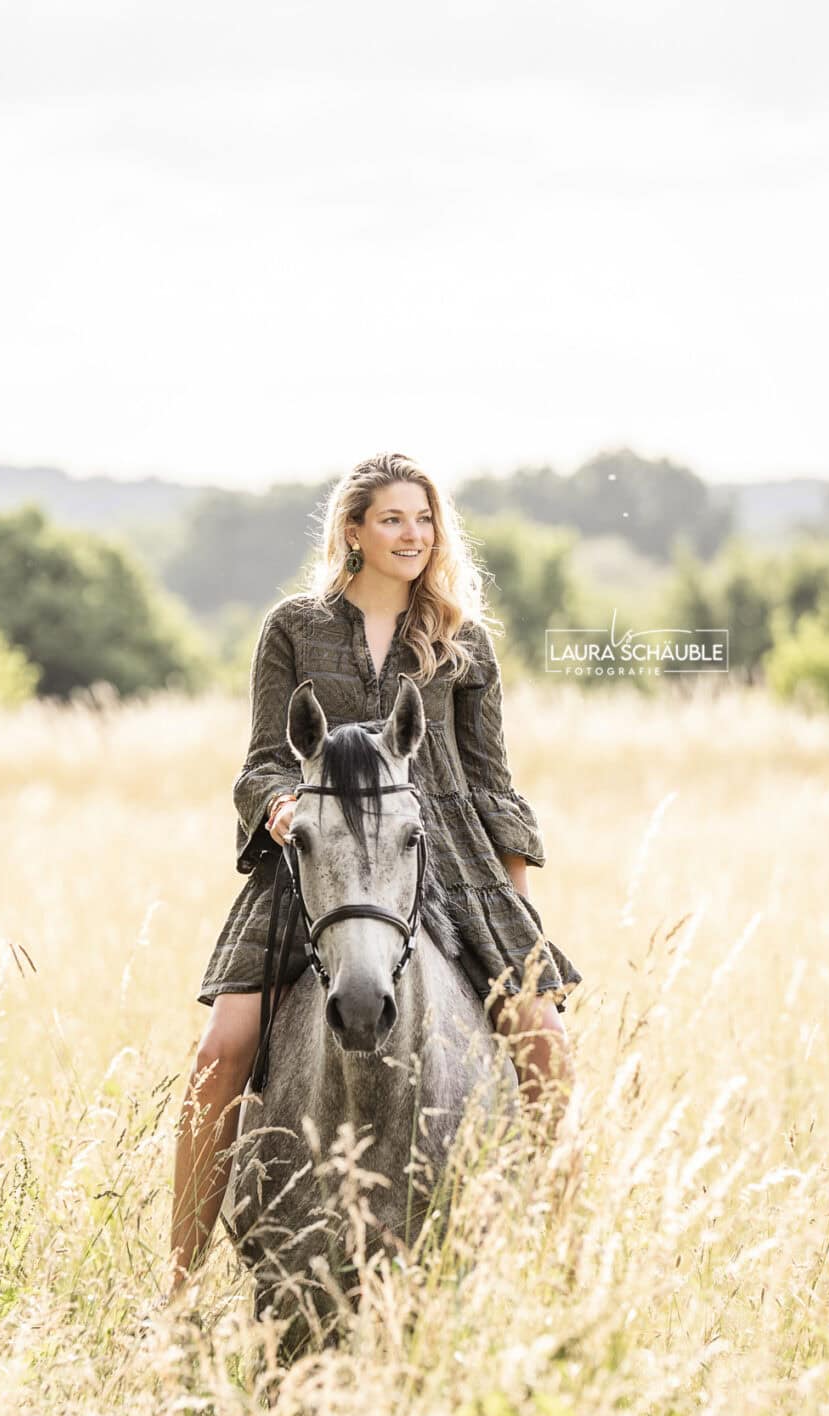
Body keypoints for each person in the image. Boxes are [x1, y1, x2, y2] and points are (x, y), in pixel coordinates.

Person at [168, 451, 581, 1296]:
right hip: (316, 866)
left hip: (450, 863)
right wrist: (283, 808)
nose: (413, 535)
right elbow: (258, 766)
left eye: (425, 519)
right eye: (393, 518)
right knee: (222, 1049)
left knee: (545, 1042)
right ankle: (174, 1290)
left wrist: (520, 920)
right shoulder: (293, 627)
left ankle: (558, 1276)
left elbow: (492, 781)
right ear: (352, 529)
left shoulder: (463, 643)